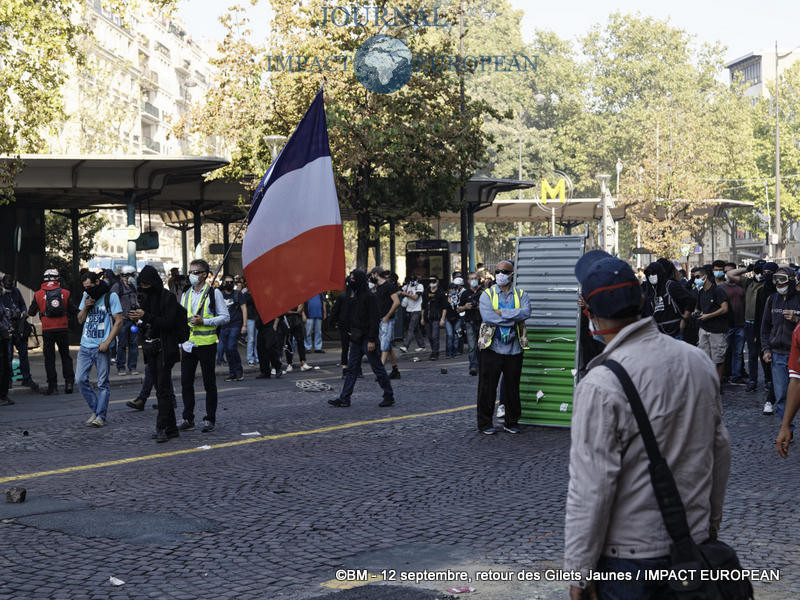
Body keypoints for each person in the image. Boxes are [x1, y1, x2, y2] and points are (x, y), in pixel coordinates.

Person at [565, 250, 731, 600]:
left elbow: (591, 486)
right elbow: (720, 451)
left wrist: (580, 572)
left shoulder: (599, 385)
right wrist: (709, 525)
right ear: (642, 300)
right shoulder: (698, 362)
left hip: (630, 562)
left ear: (590, 315)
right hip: (693, 546)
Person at [127, 266, 187, 442]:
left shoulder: (167, 297)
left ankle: (161, 427)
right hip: (150, 348)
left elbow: (167, 323)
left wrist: (146, 316)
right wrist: (137, 320)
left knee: (162, 390)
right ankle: (171, 428)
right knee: (162, 388)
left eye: (147, 284)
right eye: (142, 285)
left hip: (165, 348)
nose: (145, 288)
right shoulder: (146, 297)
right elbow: (146, 324)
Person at [476, 260, 531, 435]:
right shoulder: (487, 294)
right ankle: (485, 424)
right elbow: (488, 317)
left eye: (504, 272)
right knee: (487, 387)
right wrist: (513, 316)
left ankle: (511, 422)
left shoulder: (521, 294)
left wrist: (502, 313)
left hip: (514, 349)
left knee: (512, 387)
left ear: (512, 275)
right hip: (491, 347)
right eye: (497, 271)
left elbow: (527, 312)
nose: (500, 274)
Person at [328, 270, 395, 408]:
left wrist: (371, 339)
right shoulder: (355, 297)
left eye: (353, 279)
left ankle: (388, 395)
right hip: (356, 338)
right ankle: (345, 398)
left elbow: (374, 319)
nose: (350, 281)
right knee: (352, 369)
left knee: (377, 367)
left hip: (367, 339)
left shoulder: (369, 297)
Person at [180, 259, 230, 433]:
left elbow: (225, 317)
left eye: (195, 272)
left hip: (207, 344)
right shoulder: (186, 294)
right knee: (186, 383)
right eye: (190, 272)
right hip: (188, 345)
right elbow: (181, 318)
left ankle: (210, 419)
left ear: (204, 274)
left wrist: (205, 321)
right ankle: (188, 418)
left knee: (209, 384)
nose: (191, 275)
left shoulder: (213, 293)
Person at [76, 271, 123, 427]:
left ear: (97, 282)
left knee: (103, 383)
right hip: (85, 345)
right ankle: (96, 410)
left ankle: (100, 416)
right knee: (80, 379)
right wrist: (85, 308)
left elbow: (119, 321)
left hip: (101, 346)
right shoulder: (87, 297)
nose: (87, 290)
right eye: (85, 287)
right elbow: (80, 320)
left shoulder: (111, 297)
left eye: (89, 286)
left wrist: (107, 342)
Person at [727, 260, 774, 394]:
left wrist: (768, 267)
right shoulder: (748, 283)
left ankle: (768, 380)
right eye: (757, 271)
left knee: (765, 353)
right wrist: (747, 269)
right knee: (752, 354)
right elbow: (730, 274)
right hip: (748, 324)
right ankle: (753, 380)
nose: (760, 274)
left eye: (763, 271)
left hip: (763, 324)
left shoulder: (768, 285)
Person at [760, 266, 800, 422]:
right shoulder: (772, 300)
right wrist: (766, 349)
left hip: (796, 354)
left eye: (782, 279)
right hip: (777, 355)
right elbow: (765, 328)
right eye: (775, 279)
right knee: (781, 395)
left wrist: (797, 319)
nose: (778, 283)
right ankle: (787, 430)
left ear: (791, 281)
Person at [29, 269, 75, 395]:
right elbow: (73, 310)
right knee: (65, 356)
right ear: (57, 279)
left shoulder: (38, 294)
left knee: (49, 358)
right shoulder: (65, 293)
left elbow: (31, 312)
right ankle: (69, 383)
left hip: (47, 329)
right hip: (63, 328)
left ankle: (52, 386)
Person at [2, 274, 38, 390]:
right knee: (8, 356)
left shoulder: (16, 291)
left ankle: (26, 378)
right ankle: (7, 380)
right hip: (7, 328)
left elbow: (22, 305)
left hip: (19, 326)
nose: (9, 286)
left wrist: (23, 312)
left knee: (23, 354)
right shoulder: (2, 293)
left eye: (10, 284)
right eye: (7, 284)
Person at [694, 266, 729, 381]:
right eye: (694, 277)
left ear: (705, 277)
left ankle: (718, 385)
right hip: (704, 329)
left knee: (718, 359)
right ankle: (709, 382)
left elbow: (724, 308)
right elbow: (698, 308)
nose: (696, 279)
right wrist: (696, 313)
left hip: (717, 330)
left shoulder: (717, 290)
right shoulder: (701, 292)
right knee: (704, 359)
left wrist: (708, 315)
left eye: (698, 277)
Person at [371, 268, 401, 379]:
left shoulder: (388, 286)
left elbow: (397, 302)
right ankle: (395, 370)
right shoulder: (378, 287)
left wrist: (387, 316)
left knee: (384, 345)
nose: (371, 277)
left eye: (372, 275)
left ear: (376, 274)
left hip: (387, 319)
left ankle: (380, 372)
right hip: (381, 319)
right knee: (387, 345)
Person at [718, 264, 746, 384]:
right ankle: (723, 375)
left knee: (738, 353)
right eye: (727, 272)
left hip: (740, 324)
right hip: (727, 324)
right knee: (724, 352)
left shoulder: (742, 286)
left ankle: (736, 376)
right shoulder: (720, 287)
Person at [110, 265, 139, 376]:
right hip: (122, 322)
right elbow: (111, 303)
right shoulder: (117, 287)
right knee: (121, 345)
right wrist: (117, 316)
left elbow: (136, 301)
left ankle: (132, 367)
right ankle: (121, 367)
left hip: (133, 321)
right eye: (131, 275)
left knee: (134, 344)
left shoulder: (132, 287)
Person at [219, 274, 247, 382]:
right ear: (223, 283)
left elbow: (244, 309)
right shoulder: (220, 295)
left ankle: (239, 372)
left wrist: (244, 325)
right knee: (227, 350)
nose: (229, 284)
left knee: (231, 347)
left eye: (231, 282)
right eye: (227, 282)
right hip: (224, 326)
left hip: (235, 325)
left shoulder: (238, 294)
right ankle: (232, 373)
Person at [460, 272, 482, 376]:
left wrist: (478, 307)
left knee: (482, 346)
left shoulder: (483, 293)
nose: (473, 280)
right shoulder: (465, 294)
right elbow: (458, 309)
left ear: (478, 279)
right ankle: (473, 366)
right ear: (468, 281)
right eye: (471, 278)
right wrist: (465, 307)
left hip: (482, 323)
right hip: (469, 322)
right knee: (472, 346)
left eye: (475, 278)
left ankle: (482, 365)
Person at [330, 288, 355, 376]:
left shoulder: (342, 296)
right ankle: (355, 368)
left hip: (345, 324)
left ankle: (345, 368)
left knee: (345, 348)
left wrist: (334, 321)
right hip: (352, 325)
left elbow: (335, 310)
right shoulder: (358, 296)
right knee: (354, 348)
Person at [422, 276, 447, 360]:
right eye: (430, 280)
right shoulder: (426, 291)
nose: (432, 282)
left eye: (433, 280)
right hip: (427, 317)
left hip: (436, 317)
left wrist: (442, 319)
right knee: (429, 336)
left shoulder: (441, 292)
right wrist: (422, 318)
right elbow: (423, 305)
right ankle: (434, 350)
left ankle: (435, 353)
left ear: (437, 281)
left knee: (435, 336)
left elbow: (444, 307)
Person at [398, 276, 425, 353]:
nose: (412, 281)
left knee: (411, 328)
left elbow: (416, 297)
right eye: (411, 280)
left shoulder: (419, 286)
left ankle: (405, 346)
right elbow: (399, 291)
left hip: (417, 310)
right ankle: (422, 345)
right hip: (409, 310)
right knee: (416, 329)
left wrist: (405, 294)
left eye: (414, 280)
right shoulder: (407, 287)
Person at [283, 304, 313, 372]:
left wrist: (294, 312)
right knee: (288, 343)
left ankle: (303, 363)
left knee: (300, 342)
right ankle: (289, 363)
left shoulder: (297, 298)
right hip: (288, 321)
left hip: (297, 321)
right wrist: (296, 312)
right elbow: (285, 311)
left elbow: (300, 308)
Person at [445, 276, 465, 358]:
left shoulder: (460, 296)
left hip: (457, 318)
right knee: (450, 336)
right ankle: (448, 353)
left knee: (456, 336)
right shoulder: (446, 297)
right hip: (448, 318)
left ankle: (455, 353)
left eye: (454, 288)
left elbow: (461, 307)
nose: (452, 290)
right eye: (451, 288)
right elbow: (444, 308)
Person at [243, 283, 259, 366]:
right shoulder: (246, 295)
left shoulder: (257, 293)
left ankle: (256, 357)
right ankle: (250, 358)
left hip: (256, 318)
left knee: (256, 339)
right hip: (250, 318)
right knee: (251, 339)